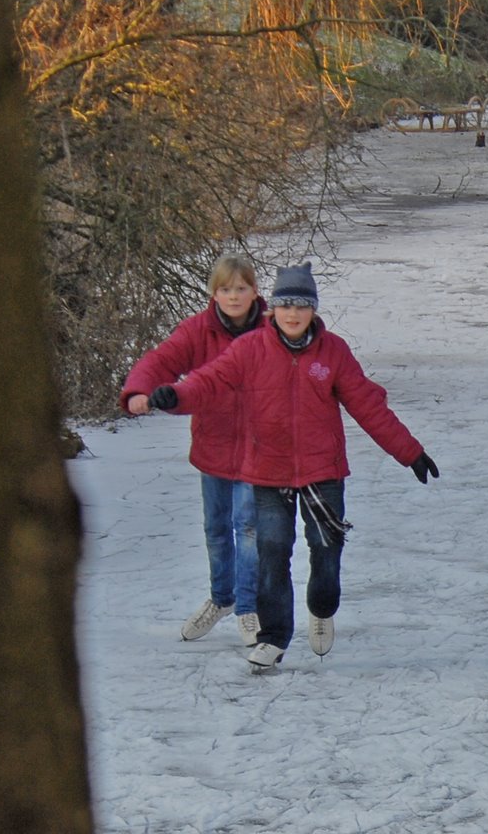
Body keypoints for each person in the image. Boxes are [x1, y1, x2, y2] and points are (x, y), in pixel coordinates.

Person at [147, 262, 439, 672]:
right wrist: (175, 396)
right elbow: (209, 382)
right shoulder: (250, 350)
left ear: (313, 311)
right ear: (274, 311)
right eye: (286, 306)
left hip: (323, 470)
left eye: (302, 306)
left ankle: (321, 608)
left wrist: (408, 451)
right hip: (267, 468)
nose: (293, 314)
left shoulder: (332, 351)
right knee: (271, 554)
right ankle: (273, 638)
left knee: (325, 549)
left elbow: (366, 404)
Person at [120, 254, 267, 648]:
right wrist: (140, 391)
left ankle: (248, 607)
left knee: (249, 529)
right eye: (225, 289)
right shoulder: (198, 330)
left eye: (241, 288)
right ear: (213, 293)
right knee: (216, 531)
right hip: (214, 446)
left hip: (261, 451)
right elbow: (160, 360)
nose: (233, 296)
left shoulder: (273, 330)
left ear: (255, 290)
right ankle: (222, 598)